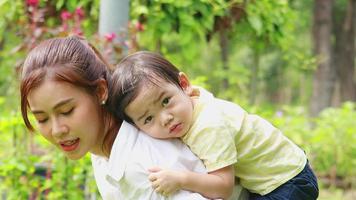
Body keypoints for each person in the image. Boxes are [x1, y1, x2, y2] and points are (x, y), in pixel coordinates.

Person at [20, 36, 245, 199]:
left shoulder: (142, 165)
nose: (57, 129)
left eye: (67, 111)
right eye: (42, 119)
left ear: (100, 92)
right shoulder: (101, 150)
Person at [108, 51, 320, 200]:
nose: (165, 118)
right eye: (148, 119)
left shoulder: (208, 126)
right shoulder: (192, 102)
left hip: (287, 180)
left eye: (165, 101)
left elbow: (223, 187)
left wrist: (181, 179)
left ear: (184, 84)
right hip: (283, 171)